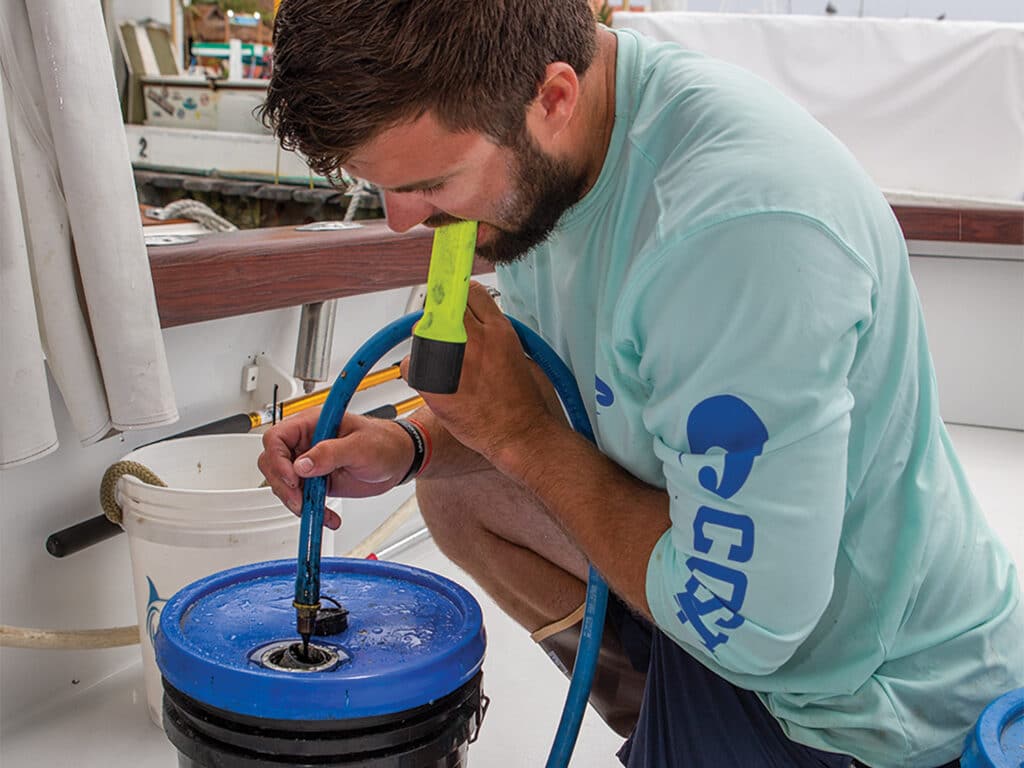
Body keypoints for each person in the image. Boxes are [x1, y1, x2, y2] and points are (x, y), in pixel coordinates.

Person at [256, 2, 1023, 766]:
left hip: (866, 703)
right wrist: (407, 441)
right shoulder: (561, 140)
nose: (400, 222)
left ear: (553, 98)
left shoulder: (737, 234)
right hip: (738, 606)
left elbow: (749, 629)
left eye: (431, 183)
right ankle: (659, 721)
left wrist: (520, 437)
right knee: (458, 492)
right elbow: (561, 381)